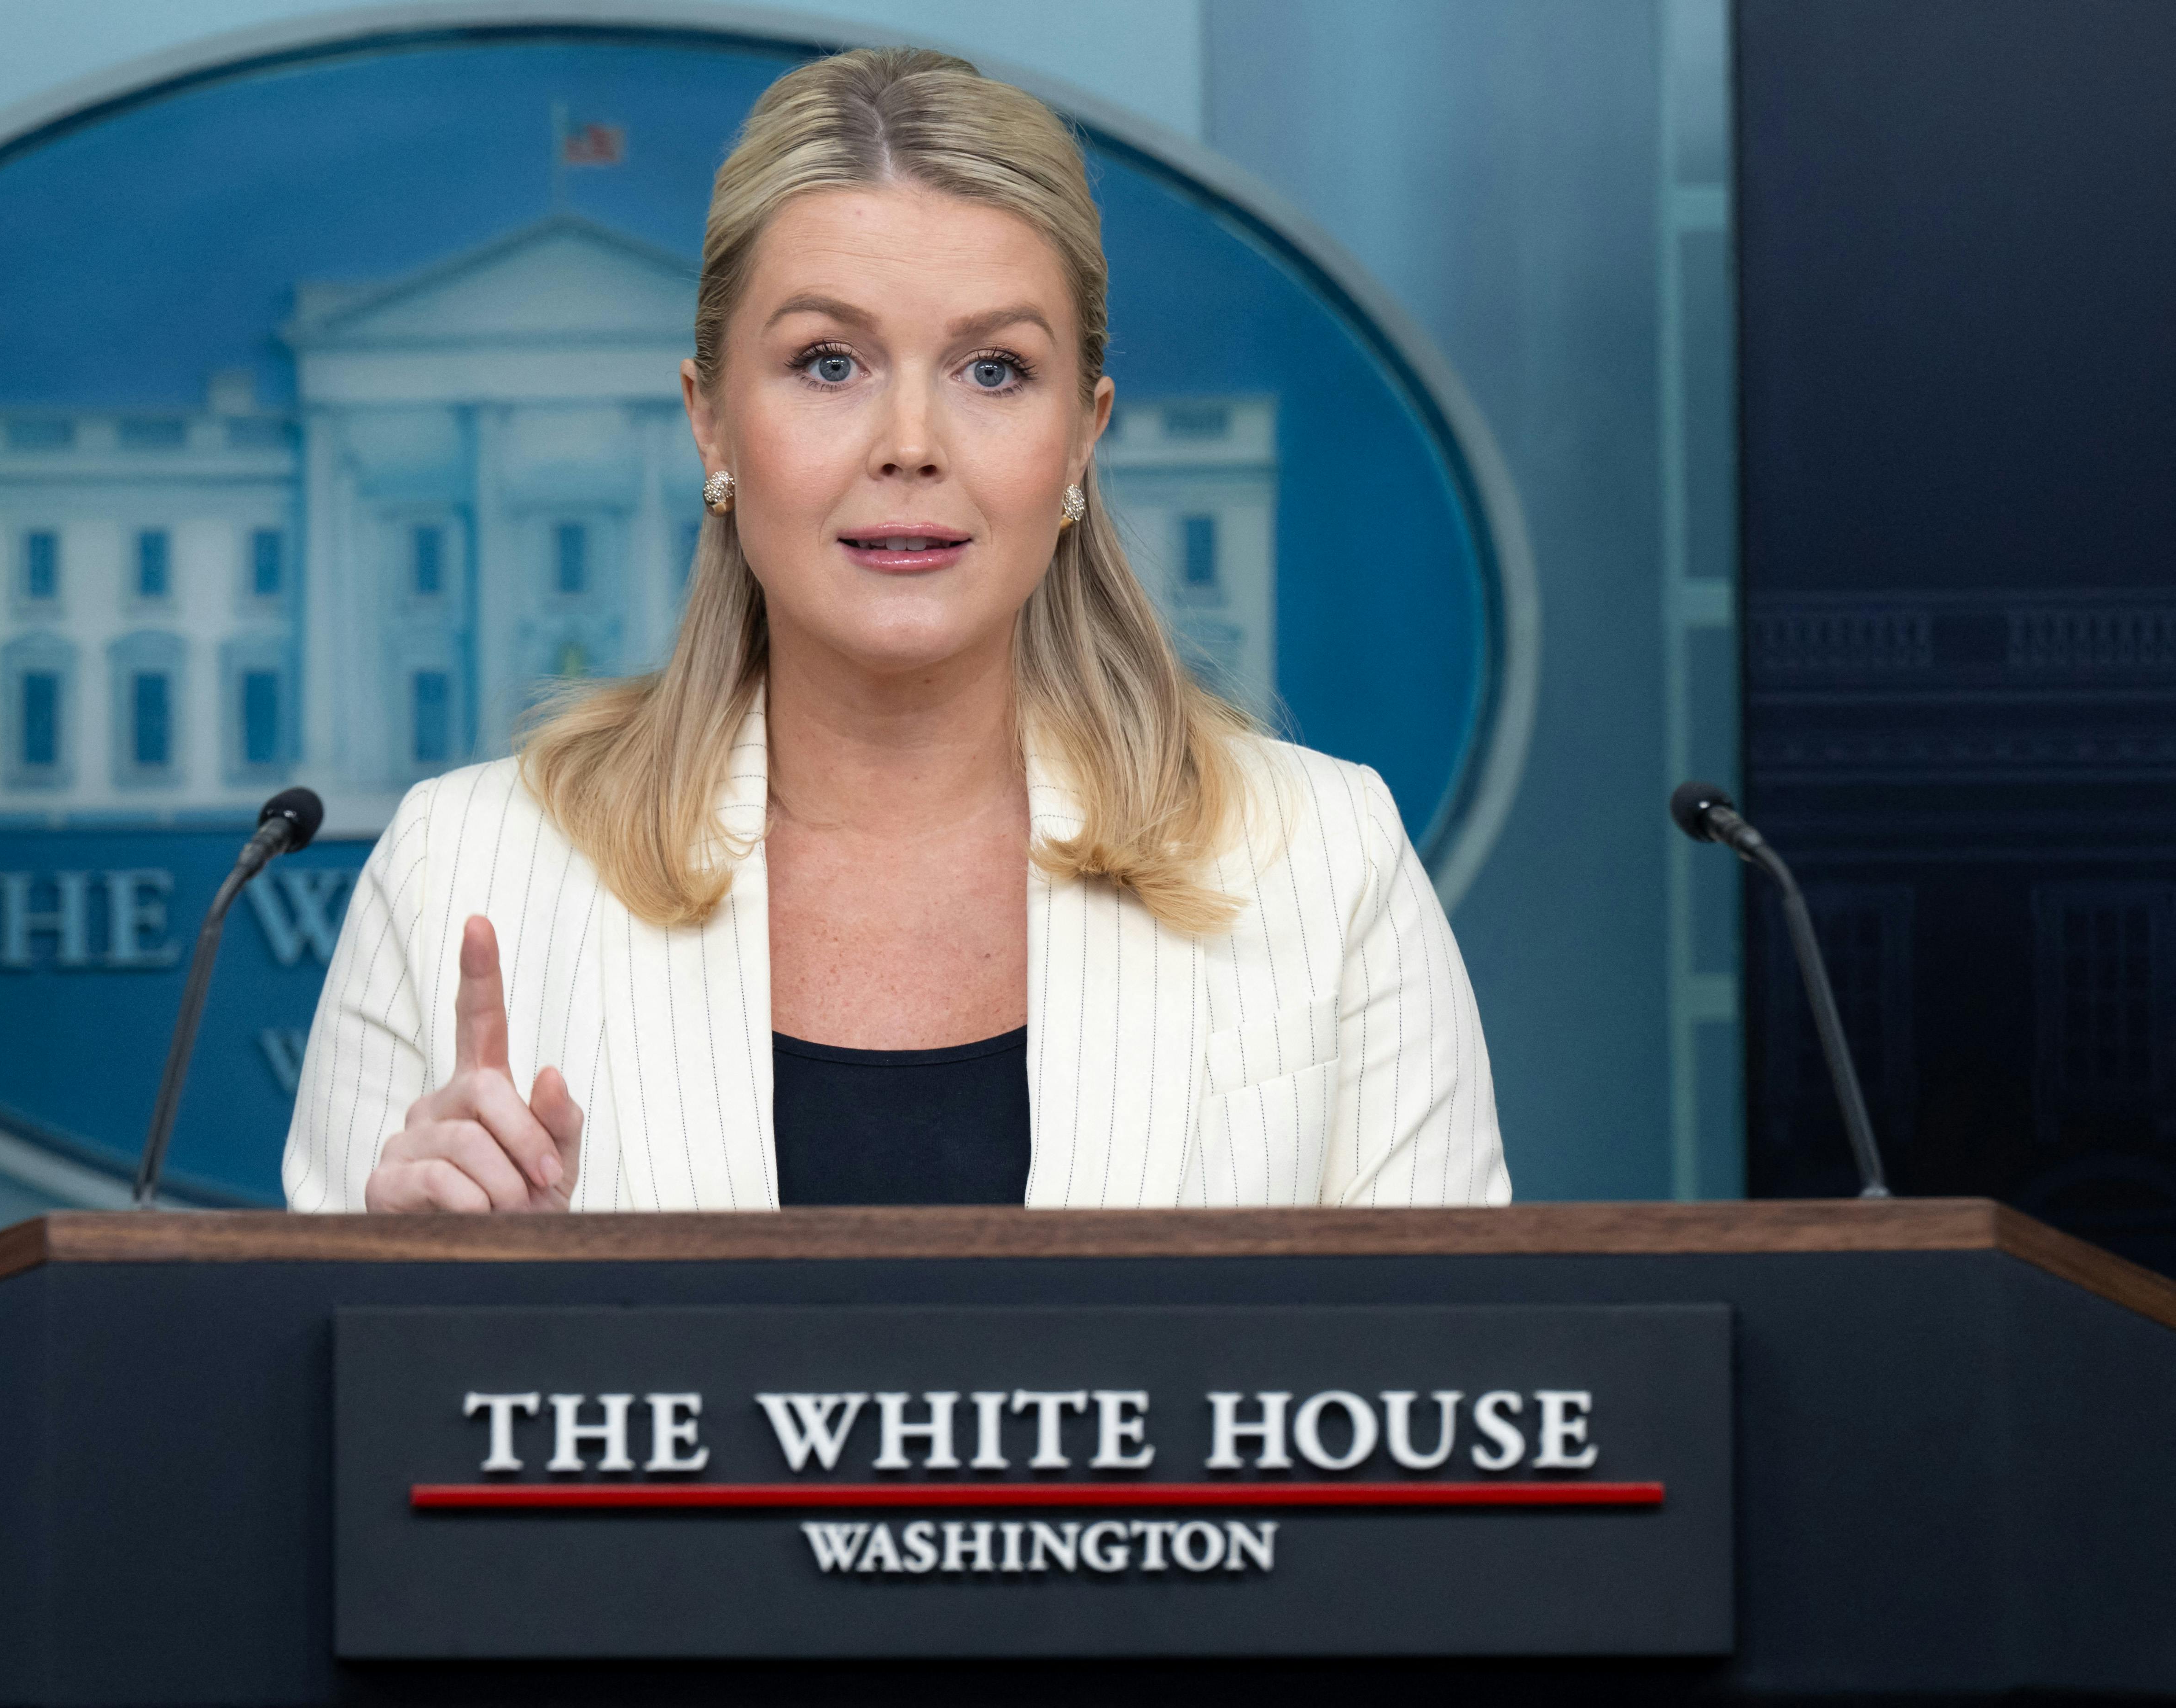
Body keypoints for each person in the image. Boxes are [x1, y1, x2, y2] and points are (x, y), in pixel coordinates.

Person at [282, 47, 1508, 1215]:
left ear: (1081, 436)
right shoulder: (462, 875)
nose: (909, 443)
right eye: (827, 364)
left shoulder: (1324, 864)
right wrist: (418, 1281)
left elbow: (1463, 1393)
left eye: (991, 371)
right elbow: (306, 1403)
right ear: (710, 426)